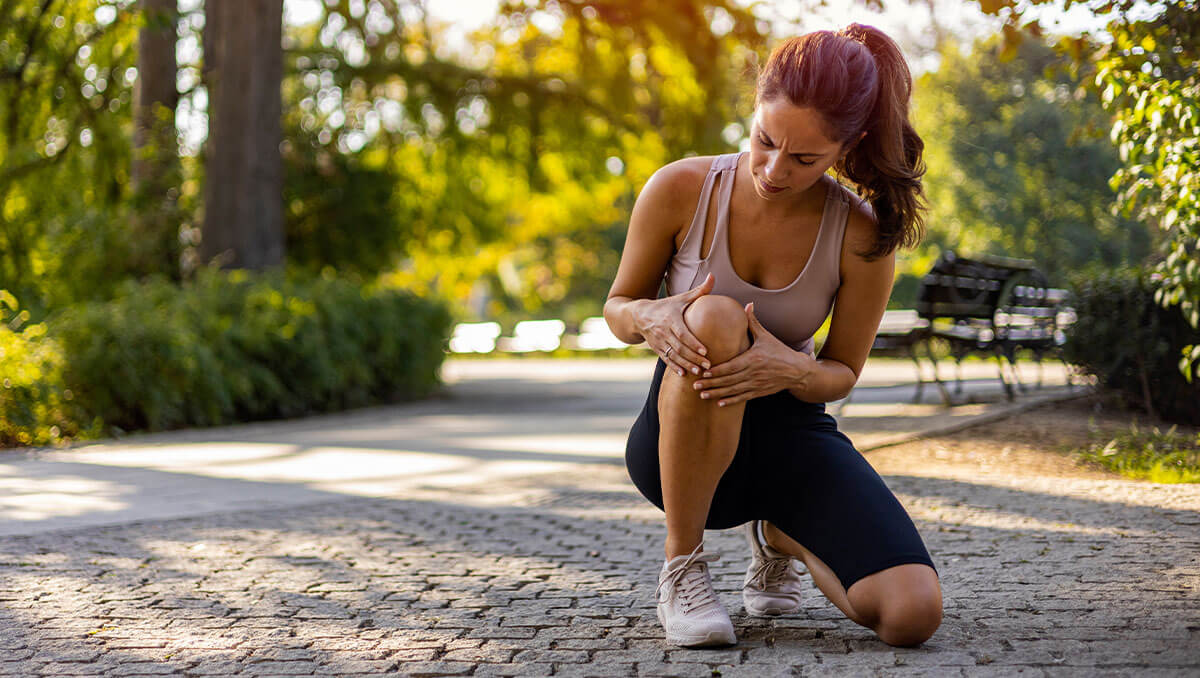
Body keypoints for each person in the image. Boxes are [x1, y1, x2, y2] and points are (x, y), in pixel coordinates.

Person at [602, 24, 942, 649]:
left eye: (805, 159)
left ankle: (781, 533)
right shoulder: (680, 189)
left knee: (912, 614)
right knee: (715, 317)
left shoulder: (860, 234)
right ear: (755, 109)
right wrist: (649, 317)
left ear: (849, 145)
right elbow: (618, 305)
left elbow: (840, 374)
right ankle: (683, 569)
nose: (774, 169)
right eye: (765, 141)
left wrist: (790, 370)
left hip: (791, 440)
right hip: (678, 448)